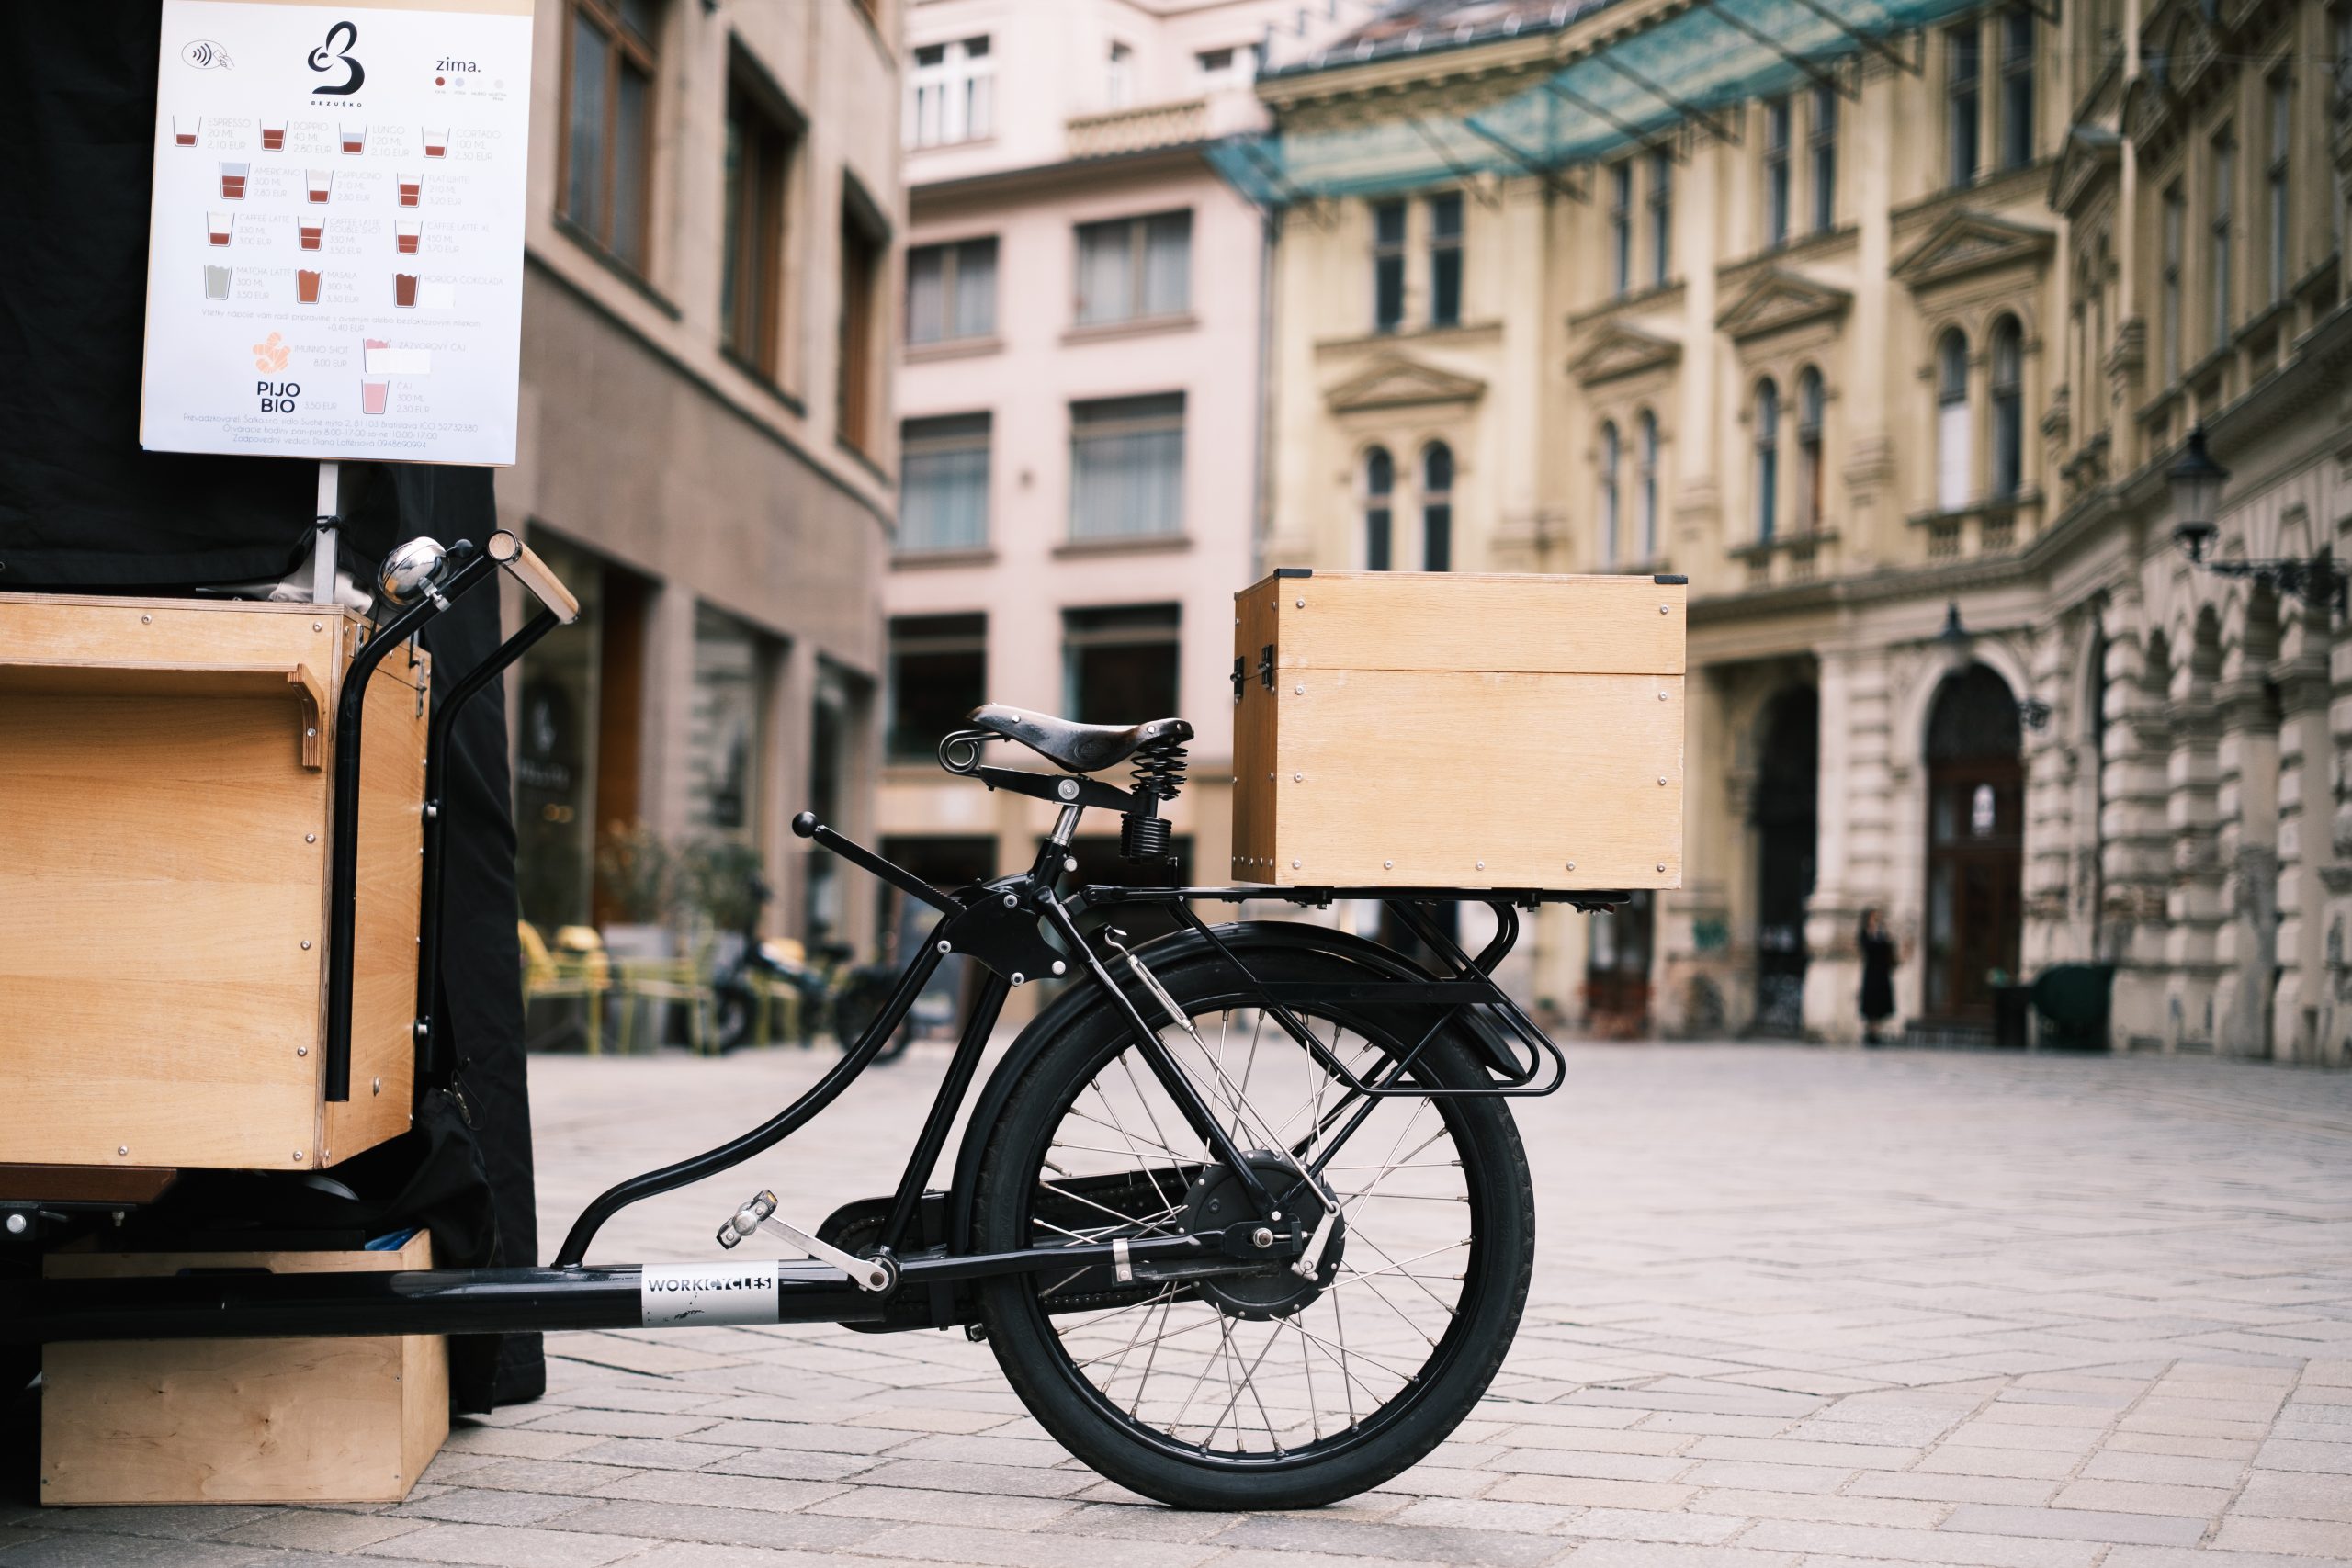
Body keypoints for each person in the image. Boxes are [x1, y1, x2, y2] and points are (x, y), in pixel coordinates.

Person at [1858, 908, 1897, 1044]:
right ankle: (1870, 1032)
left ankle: (1876, 1032)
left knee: (1880, 1003)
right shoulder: (1865, 933)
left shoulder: (1883, 933)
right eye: (1874, 918)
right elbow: (1867, 948)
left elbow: (1889, 948)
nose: (1876, 920)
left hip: (1882, 973)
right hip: (1871, 972)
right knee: (1870, 1002)